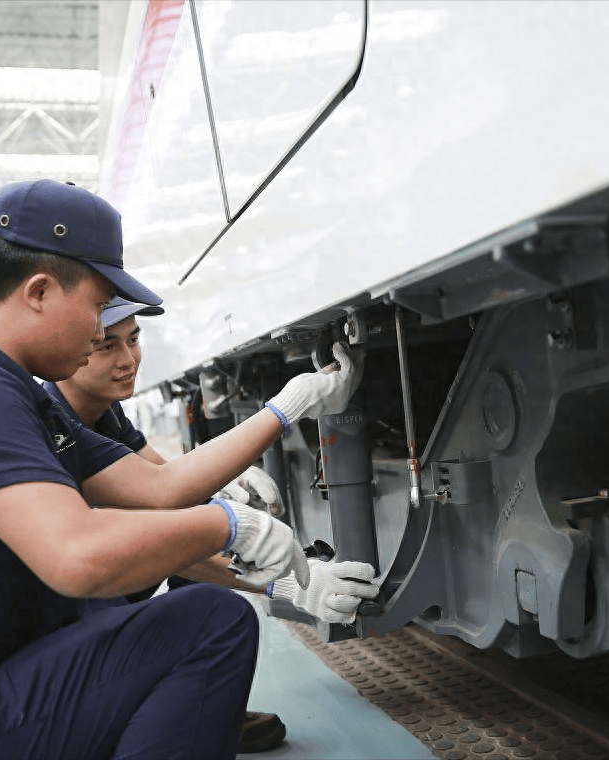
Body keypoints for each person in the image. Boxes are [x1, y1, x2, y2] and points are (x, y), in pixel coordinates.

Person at [0, 179, 366, 760]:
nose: (98, 334)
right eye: (95, 307)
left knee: (183, 610)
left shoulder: (13, 395)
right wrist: (230, 526)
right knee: (209, 624)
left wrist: (288, 406)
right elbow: (77, 555)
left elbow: (161, 488)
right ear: (38, 291)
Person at [46, 298, 382, 753]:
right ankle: (142, 717)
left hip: (80, 605)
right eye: (107, 346)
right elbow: (144, 536)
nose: (128, 360)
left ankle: (195, 705)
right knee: (216, 611)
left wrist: (221, 485)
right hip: (57, 627)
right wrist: (288, 587)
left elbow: (165, 487)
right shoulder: (53, 425)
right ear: (71, 346)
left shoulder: (101, 411)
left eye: (134, 339)